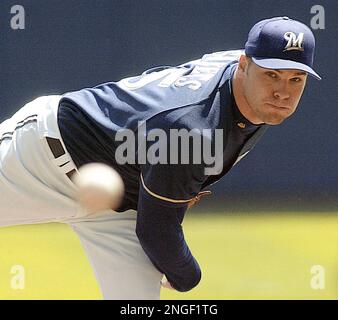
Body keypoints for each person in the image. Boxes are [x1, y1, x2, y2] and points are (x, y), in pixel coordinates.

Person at [0, 16, 321, 299]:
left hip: (122, 205)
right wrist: (187, 274)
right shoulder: (192, 130)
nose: (283, 91)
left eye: (296, 79)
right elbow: (158, 230)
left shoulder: (244, 90)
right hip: (39, 158)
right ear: (243, 64)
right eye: (271, 75)